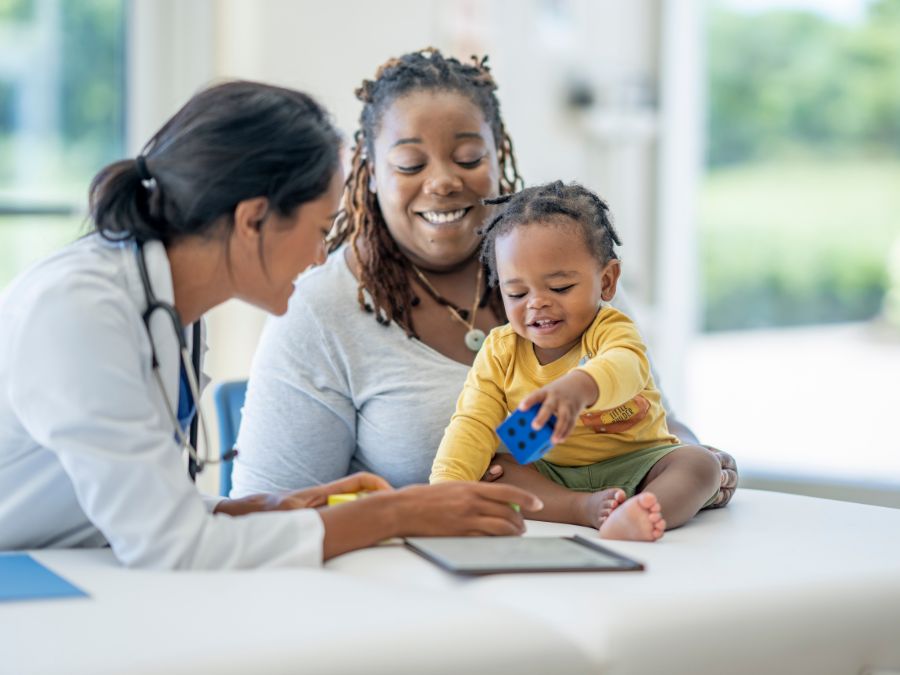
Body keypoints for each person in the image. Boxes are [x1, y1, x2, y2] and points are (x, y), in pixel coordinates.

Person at [0, 80, 541, 570]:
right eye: (320, 228)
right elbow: (170, 547)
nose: (319, 254)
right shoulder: (77, 311)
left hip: (63, 568)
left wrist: (265, 509)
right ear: (253, 219)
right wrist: (395, 513)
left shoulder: (169, 310)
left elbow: (145, 510)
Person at [232, 48, 737, 508]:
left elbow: (647, 416)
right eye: (409, 163)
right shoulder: (321, 310)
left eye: (469, 158)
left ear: (501, 157)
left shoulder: (570, 265)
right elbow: (273, 513)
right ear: (368, 170)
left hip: (592, 559)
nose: (444, 180)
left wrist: (696, 461)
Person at [430, 181, 722, 541]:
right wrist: (444, 492)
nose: (536, 303)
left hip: (641, 463)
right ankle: (582, 509)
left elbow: (627, 366)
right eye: (517, 293)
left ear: (607, 282)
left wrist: (581, 387)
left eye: (560, 288)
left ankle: (644, 510)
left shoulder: (611, 328)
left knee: (700, 465)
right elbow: (471, 424)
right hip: (555, 476)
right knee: (495, 470)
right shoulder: (500, 352)